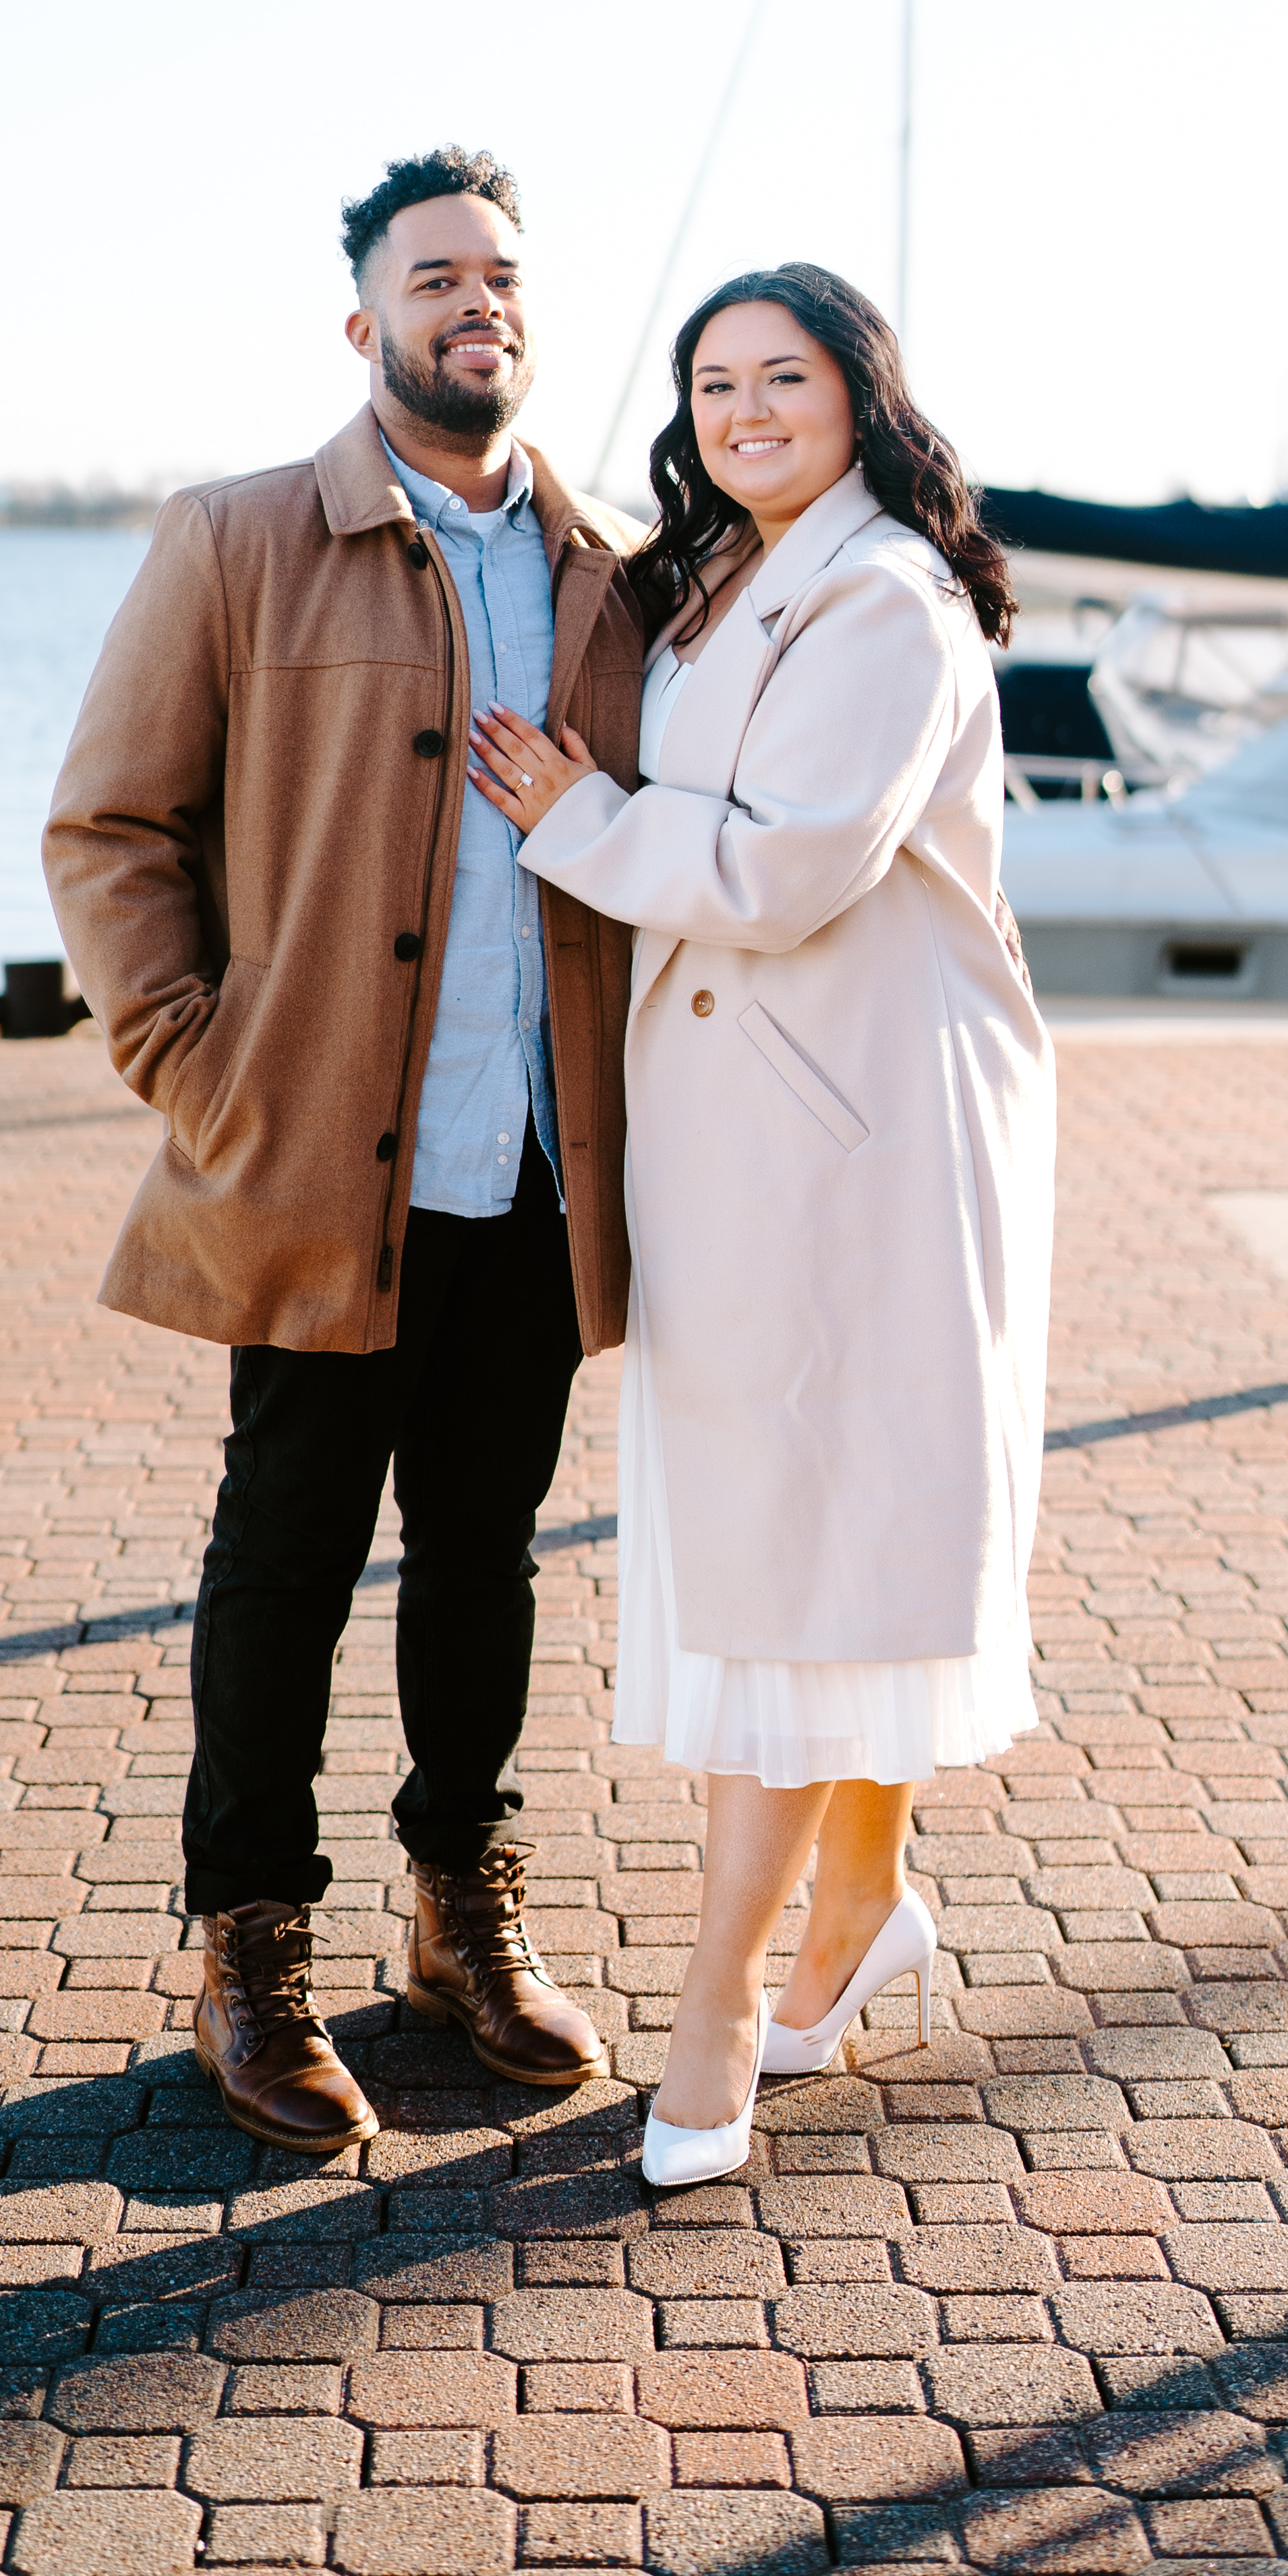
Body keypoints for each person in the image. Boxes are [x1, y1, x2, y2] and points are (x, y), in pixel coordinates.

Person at [44, 146, 644, 2152]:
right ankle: (249, 1942)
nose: (477, 300)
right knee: (282, 1567)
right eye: (435, 274)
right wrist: (195, 1062)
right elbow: (113, 830)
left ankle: (459, 1916)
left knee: (487, 1563)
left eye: (501, 274)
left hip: (535, 1175)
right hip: (316, 1165)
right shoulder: (239, 540)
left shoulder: (607, 571)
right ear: (365, 319)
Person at [472, 261, 1052, 2187]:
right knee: (829, 1552)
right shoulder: (735, 577)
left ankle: (717, 2009)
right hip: (779, 1143)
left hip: (857, 1154)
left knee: (799, 1579)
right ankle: (863, 1908)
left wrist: (573, 815)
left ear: (860, 398)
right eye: (714, 384)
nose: (741, 412)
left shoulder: (879, 599)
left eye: (779, 379)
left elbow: (796, 867)